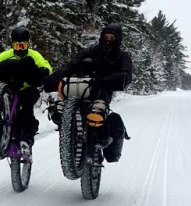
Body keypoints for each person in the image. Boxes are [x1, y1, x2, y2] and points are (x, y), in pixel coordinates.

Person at [43, 23, 132, 159]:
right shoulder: (91, 51)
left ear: (118, 39)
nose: (108, 40)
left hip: (103, 89)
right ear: (102, 37)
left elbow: (126, 74)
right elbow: (71, 66)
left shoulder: (122, 56)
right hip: (82, 86)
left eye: (112, 37)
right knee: (62, 100)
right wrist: (52, 80)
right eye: (106, 36)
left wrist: (106, 80)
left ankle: (102, 136)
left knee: (99, 108)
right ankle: (66, 123)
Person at [0, 26, 53, 153]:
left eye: (23, 46)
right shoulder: (7, 54)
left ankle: (27, 139)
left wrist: (44, 71)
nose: (20, 49)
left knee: (26, 112)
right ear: (13, 45)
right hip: (11, 88)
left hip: (27, 90)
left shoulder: (34, 54)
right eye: (17, 46)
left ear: (27, 44)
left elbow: (45, 64)